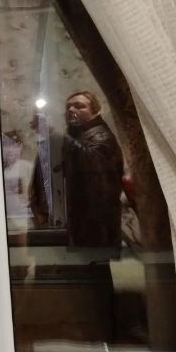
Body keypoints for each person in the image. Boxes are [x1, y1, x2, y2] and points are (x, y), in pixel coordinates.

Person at [61, 91, 124, 249]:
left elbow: (91, 162)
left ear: (94, 111)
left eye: (79, 106)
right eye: (68, 107)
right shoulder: (79, 135)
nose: (71, 110)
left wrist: (57, 136)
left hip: (98, 222)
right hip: (83, 219)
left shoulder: (101, 136)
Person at [0, 130, 33, 234]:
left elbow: (30, 194)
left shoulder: (26, 167)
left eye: (14, 146)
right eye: (7, 146)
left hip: (22, 218)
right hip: (4, 220)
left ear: (20, 147)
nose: (10, 150)